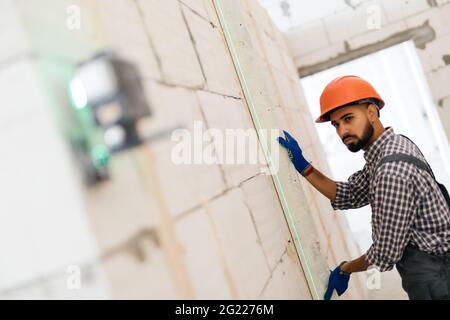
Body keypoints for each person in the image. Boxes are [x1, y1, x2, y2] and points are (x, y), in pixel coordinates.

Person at [278, 75, 450, 300]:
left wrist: (345, 269)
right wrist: (303, 166)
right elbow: (349, 194)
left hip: (437, 278)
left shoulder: (390, 171)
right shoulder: (393, 146)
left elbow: (385, 253)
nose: (342, 132)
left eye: (348, 119)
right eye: (337, 124)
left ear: (371, 112)